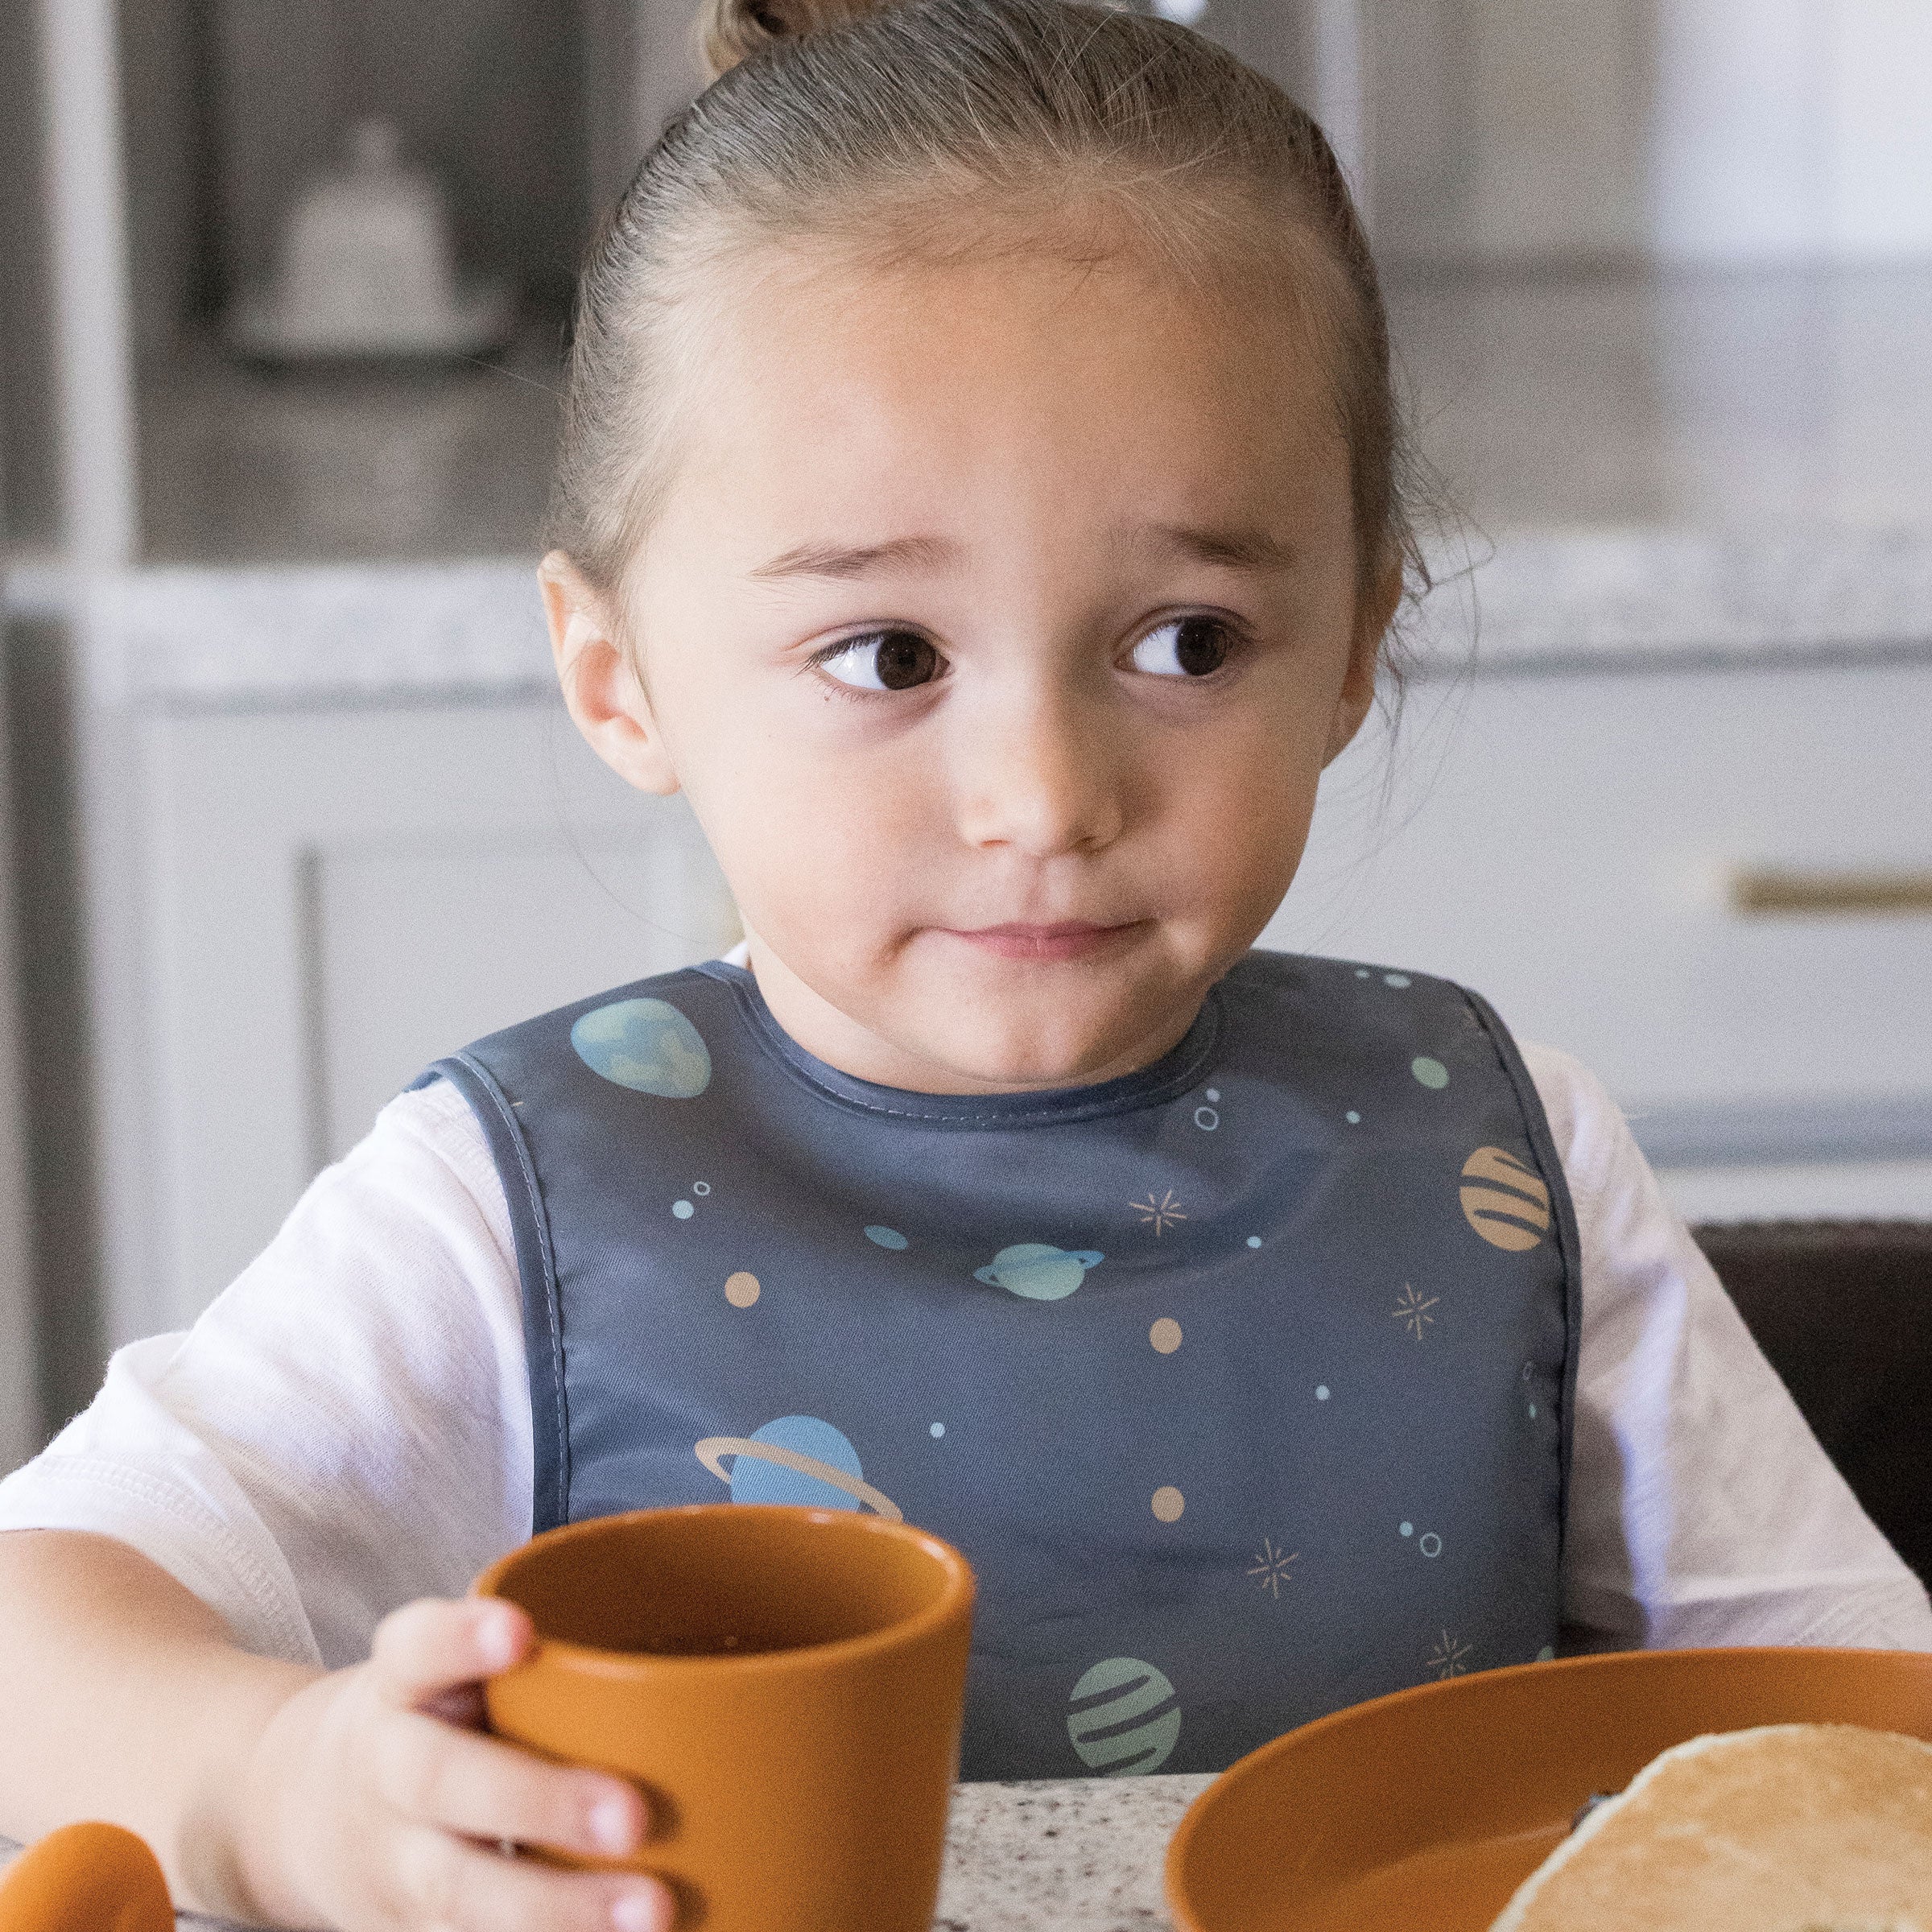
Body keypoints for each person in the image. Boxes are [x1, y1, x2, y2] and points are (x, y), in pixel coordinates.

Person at [2, 0, 1927, 1924]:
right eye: (888, 656)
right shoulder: (501, 1213)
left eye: (1186, 642)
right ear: (622, 679)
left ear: (1354, 642)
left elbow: (1874, 1737)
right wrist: (267, 1779)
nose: (1043, 796)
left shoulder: (1516, 1163)